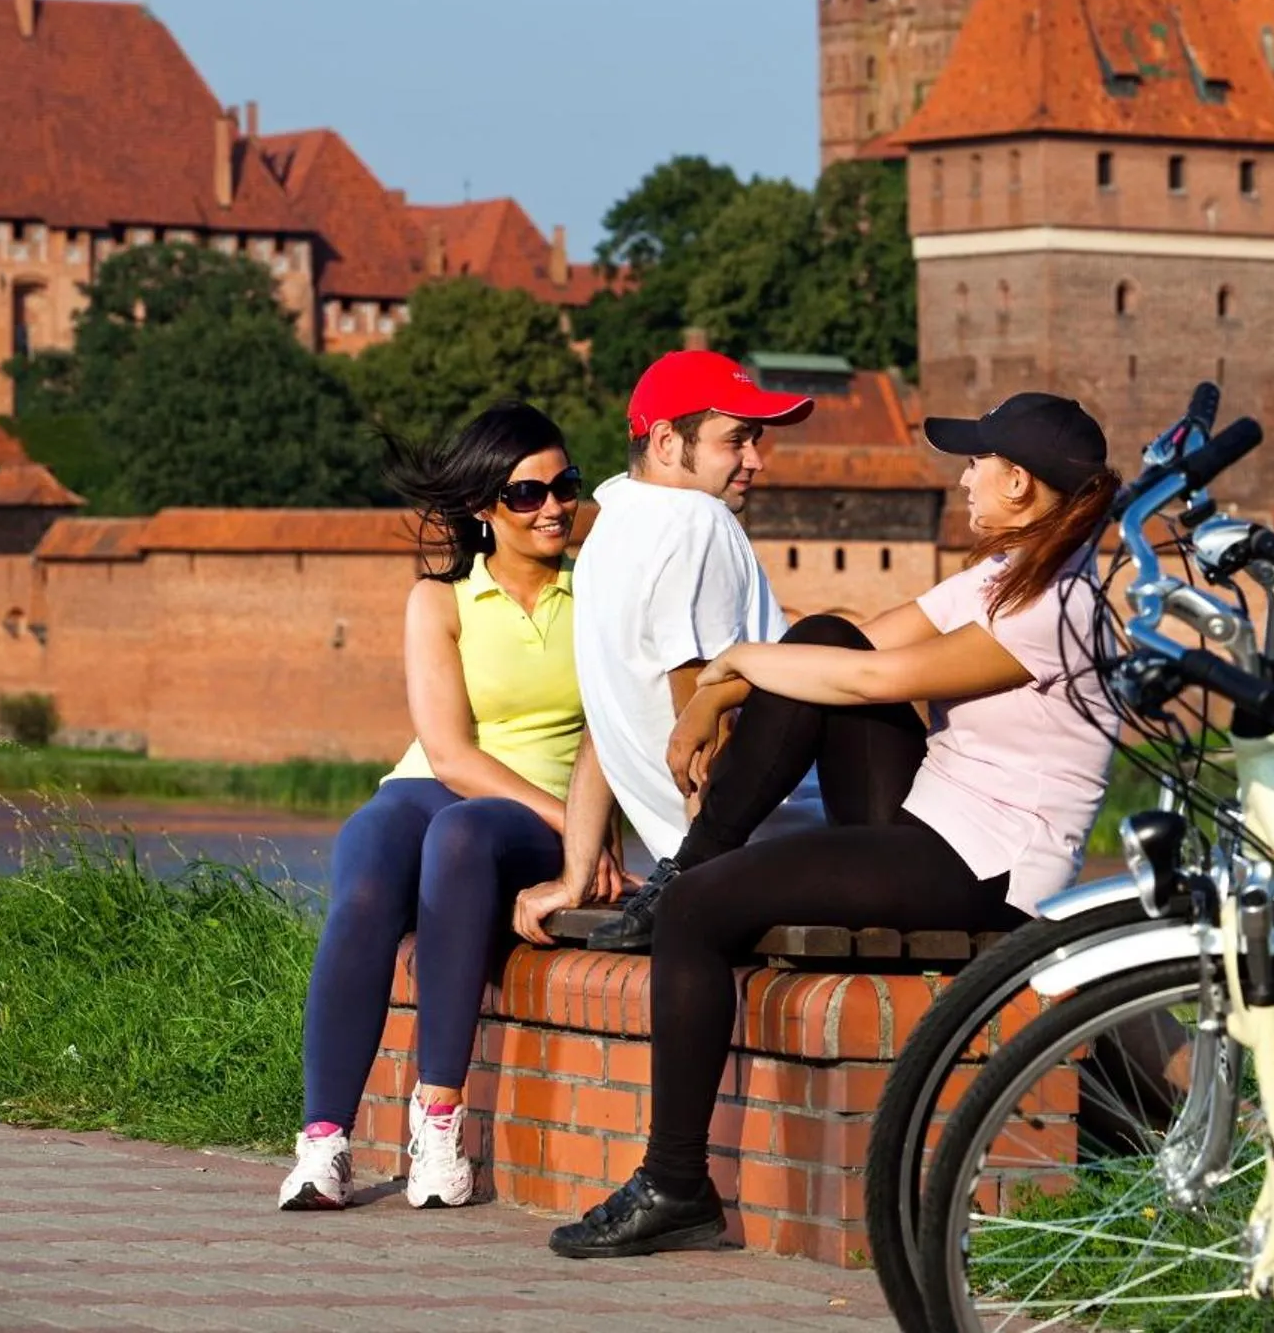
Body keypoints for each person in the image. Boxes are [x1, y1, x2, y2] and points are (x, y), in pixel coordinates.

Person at [538, 390, 1119, 1258]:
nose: (964, 479)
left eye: (977, 464)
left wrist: (731, 663)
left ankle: (675, 1184)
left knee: (697, 907)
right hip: (931, 826)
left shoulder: (1059, 608)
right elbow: (858, 645)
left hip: (990, 870)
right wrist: (718, 696)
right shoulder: (1004, 577)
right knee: (824, 634)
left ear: (1020, 484)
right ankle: (694, 861)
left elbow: (877, 683)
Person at [279, 402, 616, 1211]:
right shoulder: (440, 600)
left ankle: (437, 1122)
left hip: (524, 818)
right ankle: (324, 1143)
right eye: (527, 493)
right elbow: (450, 755)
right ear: (481, 507)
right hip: (443, 788)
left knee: (461, 834)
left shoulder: (601, 594)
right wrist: (574, 827)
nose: (554, 507)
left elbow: (620, 730)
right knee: (369, 862)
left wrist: (583, 830)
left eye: (565, 485)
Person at [510, 350, 824, 954]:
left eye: (755, 440)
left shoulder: (603, 536)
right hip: (785, 847)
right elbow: (704, 732)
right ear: (664, 441)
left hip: (711, 854)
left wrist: (576, 876)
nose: (756, 460)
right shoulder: (696, 521)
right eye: (735, 441)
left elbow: (604, 721)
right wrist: (706, 893)